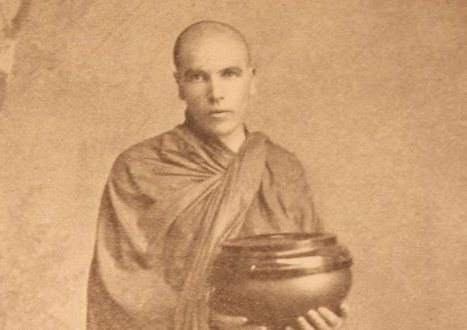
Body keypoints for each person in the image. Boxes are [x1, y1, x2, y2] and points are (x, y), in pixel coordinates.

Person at [87, 21, 347, 330]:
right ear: (179, 84)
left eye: (229, 74)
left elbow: (311, 269)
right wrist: (203, 319)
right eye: (198, 77)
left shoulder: (283, 168)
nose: (216, 93)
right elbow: (117, 297)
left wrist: (323, 311)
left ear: (252, 80)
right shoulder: (139, 168)